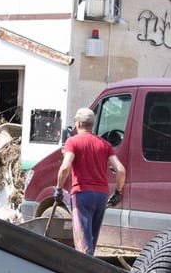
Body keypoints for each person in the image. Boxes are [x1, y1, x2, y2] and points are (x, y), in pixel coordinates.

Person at [54, 107, 126, 255]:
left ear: (79, 124)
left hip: (82, 195)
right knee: (91, 241)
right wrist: (118, 192)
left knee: (82, 244)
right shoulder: (105, 145)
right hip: (101, 196)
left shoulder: (72, 142)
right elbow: (121, 170)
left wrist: (59, 189)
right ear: (91, 125)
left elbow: (65, 168)